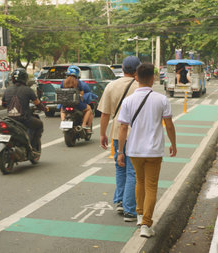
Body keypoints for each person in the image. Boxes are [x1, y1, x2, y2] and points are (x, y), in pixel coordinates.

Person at [117, 63, 177, 238]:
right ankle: (146, 224)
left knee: (139, 182)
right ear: (153, 78)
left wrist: (120, 151)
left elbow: (122, 128)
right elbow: (169, 125)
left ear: (136, 78)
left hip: (134, 150)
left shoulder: (128, 101)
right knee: (151, 186)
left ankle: (140, 215)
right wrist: (173, 143)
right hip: (154, 151)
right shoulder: (161, 99)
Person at [98, 56, 140, 221]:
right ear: (137, 70)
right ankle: (130, 209)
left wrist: (102, 134)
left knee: (120, 167)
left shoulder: (111, 86)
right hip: (136, 134)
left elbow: (105, 113)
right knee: (132, 170)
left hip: (117, 133)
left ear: (122, 68)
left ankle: (121, 201)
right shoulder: (140, 87)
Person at [2, 68, 48, 152]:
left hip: (10, 119)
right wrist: (45, 109)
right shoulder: (28, 90)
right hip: (24, 119)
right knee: (39, 124)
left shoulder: (7, 90)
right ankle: (32, 146)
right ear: (25, 78)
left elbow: (4, 105)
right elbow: (38, 104)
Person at [60, 65, 93, 132]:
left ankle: (63, 121)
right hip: (77, 105)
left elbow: (61, 92)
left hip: (65, 104)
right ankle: (84, 124)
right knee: (89, 109)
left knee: (62, 110)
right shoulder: (78, 82)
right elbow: (81, 94)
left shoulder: (63, 82)